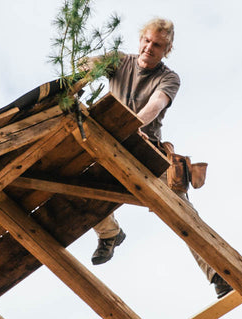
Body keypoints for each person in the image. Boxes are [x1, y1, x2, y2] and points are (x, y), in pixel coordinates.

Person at [83, 18, 232, 299]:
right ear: (140, 40)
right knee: (83, 192)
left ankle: (218, 274)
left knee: (182, 212)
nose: (150, 48)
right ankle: (109, 234)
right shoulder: (120, 61)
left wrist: (131, 125)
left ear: (167, 49)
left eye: (158, 45)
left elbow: (156, 104)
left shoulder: (168, 78)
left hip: (146, 148)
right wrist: (86, 68)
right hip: (110, 144)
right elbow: (89, 65)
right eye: (147, 41)